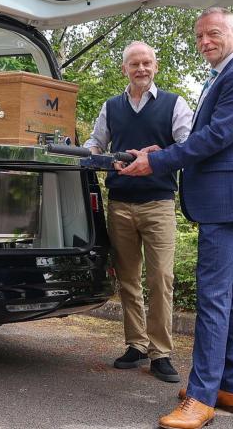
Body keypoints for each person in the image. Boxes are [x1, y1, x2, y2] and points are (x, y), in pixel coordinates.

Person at [119, 8, 233, 429]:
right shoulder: (221, 76)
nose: (205, 41)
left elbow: (216, 137)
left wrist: (159, 162)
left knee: (213, 298)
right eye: (200, 35)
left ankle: (202, 397)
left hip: (229, 204)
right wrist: (157, 152)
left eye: (214, 33)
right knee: (231, 296)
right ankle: (231, 387)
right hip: (225, 203)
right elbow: (204, 137)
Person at [85, 40, 192, 383]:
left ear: (155, 67)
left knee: (160, 278)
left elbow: (189, 145)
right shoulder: (111, 107)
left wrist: (160, 154)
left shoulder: (175, 104)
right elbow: (94, 144)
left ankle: (161, 352)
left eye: (147, 63)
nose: (141, 69)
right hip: (120, 204)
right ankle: (136, 344)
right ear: (125, 70)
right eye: (135, 64)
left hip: (158, 204)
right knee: (128, 280)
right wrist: (93, 155)